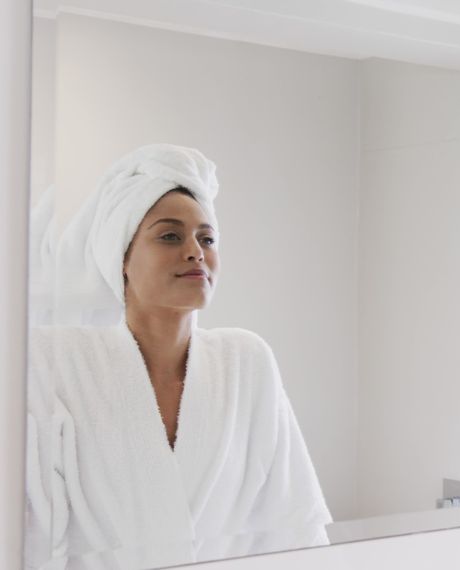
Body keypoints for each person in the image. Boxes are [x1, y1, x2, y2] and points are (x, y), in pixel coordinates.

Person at [25, 144, 332, 569]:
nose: (196, 252)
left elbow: (293, 520)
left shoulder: (246, 361)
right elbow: (33, 533)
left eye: (207, 238)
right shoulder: (59, 361)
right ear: (122, 258)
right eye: (170, 235)